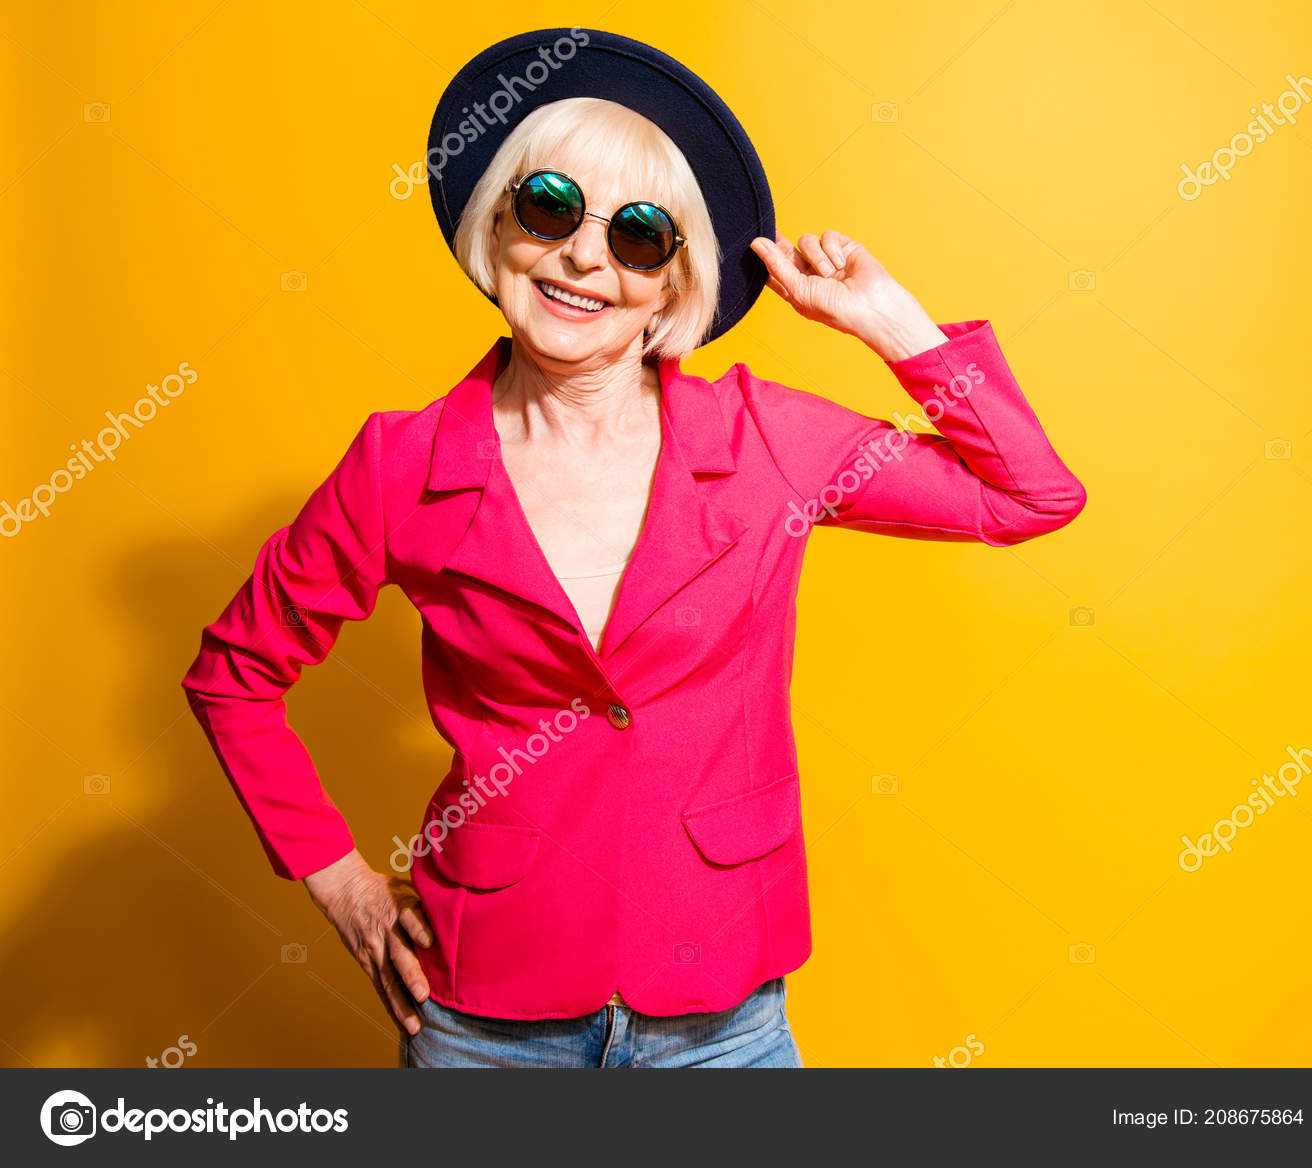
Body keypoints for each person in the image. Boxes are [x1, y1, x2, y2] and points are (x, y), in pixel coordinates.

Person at [181, 27, 1087, 1069]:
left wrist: (892, 325)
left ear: (672, 281)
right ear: (499, 226)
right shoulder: (403, 461)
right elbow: (234, 677)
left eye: (639, 235)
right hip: (485, 1024)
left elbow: (1028, 495)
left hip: (720, 1020)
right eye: (551, 207)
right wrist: (337, 882)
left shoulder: (765, 441)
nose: (581, 258)